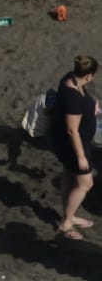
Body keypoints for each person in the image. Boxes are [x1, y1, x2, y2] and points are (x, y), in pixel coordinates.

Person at [50, 55, 97, 239]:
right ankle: (66, 223)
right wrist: (80, 157)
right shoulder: (73, 99)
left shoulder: (69, 78)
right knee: (86, 184)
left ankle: (69, 215)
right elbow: (72, 130)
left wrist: (93, 107)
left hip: (65, 142)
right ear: (88, 76)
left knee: (69, 177)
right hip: (73, 147)